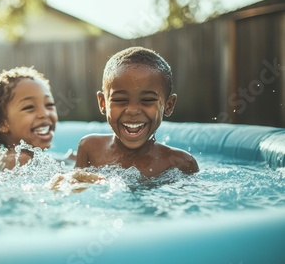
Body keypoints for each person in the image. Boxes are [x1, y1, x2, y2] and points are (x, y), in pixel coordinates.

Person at [75, 46, 199, 177]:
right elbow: (74, 187)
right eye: (120, 100)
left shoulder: (179, 163)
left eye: (147, 100)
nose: (132, 111)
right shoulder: (90, 148)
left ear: (168, 105)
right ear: (103, 103)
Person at [0, 66, 58, 170]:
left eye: (49, 104)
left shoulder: (23, 158)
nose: (44, 113)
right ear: (3, 124)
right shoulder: (17, 160)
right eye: (29, 107)